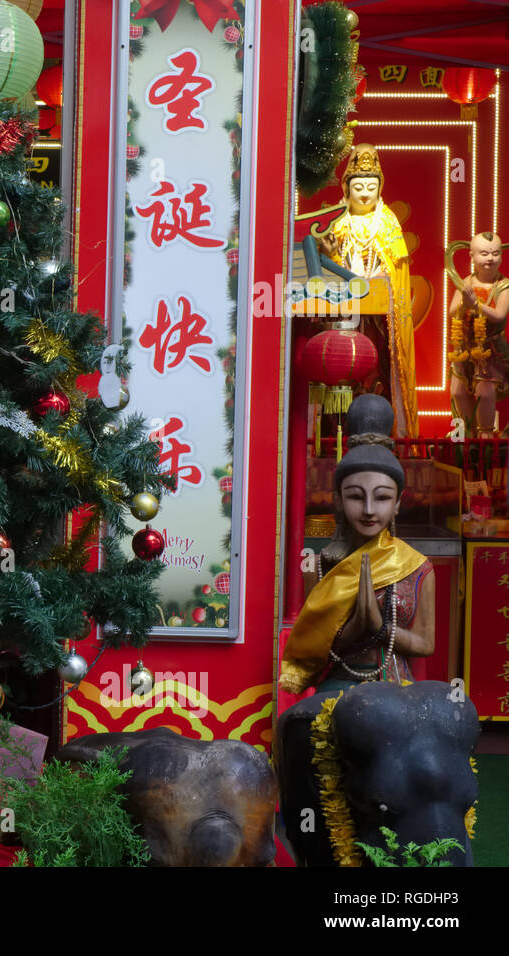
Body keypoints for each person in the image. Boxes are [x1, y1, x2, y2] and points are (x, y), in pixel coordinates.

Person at [281, 394, 435, 695]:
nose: (368, 509)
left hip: (395, 687)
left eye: (381, 497)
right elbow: (314, 642)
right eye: (354, 496)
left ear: (398, 503)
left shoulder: (417, 567)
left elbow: (426, 644)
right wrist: (352, 630)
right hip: (339, 684)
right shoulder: (319, 566)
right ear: (337, 500)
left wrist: (380, 629)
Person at [317, 145, 418, 437]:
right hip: (345, 317)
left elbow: (396, 274)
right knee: (341, 375)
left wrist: (378, 283)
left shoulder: (387, 224)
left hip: (376, 320)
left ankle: (381, 430)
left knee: (375, 371)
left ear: (380, 189)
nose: (364, 193)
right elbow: (325, 271)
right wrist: (334, 256)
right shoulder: (337, 223)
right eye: (358, 186)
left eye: (371, 187)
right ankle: (335, 435)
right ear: (346, 189)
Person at [448, 232, 509, 437]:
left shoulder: (504, 286)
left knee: (485, 391)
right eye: (484, 253)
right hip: (464, 347)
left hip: (489, 350)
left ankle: (485, 436)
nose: (490, 258)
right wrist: (465, 305)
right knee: (457, 390)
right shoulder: (467, 282)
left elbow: (499, 315)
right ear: (472, 257)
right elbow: (452, 311)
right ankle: (466, 436)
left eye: (495, 254)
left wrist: (476, 304)